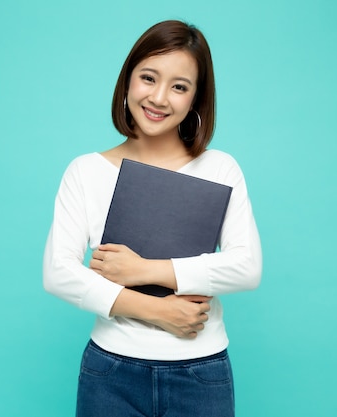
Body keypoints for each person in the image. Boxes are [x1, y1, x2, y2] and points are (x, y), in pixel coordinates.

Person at [43, 20, 262, 417]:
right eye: (148, 78)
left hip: (202, 375)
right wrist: (159, 311)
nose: (159, 98)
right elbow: (58, 273)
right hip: (110, 372)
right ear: (127, 81)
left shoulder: (220, 168)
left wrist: (144, 269)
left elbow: (246, 268)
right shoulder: (86, 171)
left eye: (179, 86)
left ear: (196, 98)